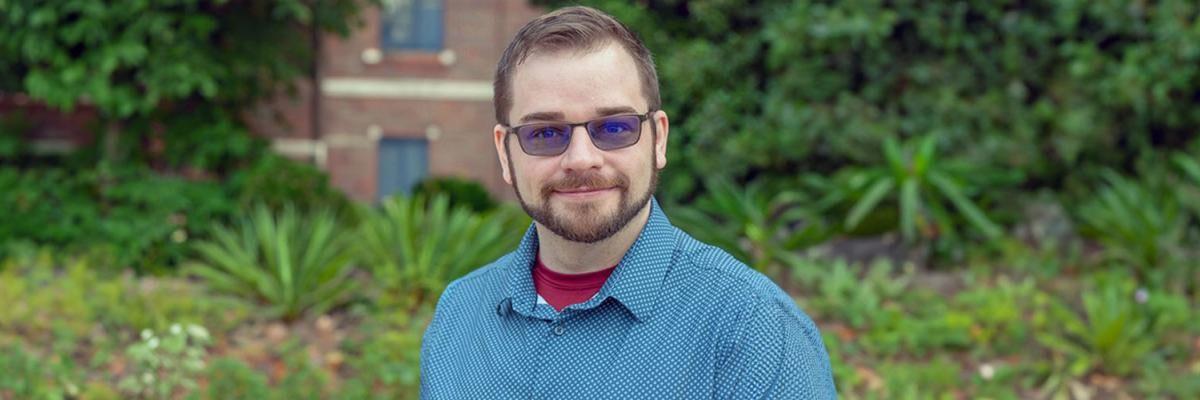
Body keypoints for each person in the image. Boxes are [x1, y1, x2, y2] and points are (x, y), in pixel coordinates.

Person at [419, 6, 836, 399]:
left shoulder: (754, 329)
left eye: (614, 127)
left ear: (659, 139)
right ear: (504, 153)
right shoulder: (459, 315)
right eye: (545, 134)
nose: (581, 159)